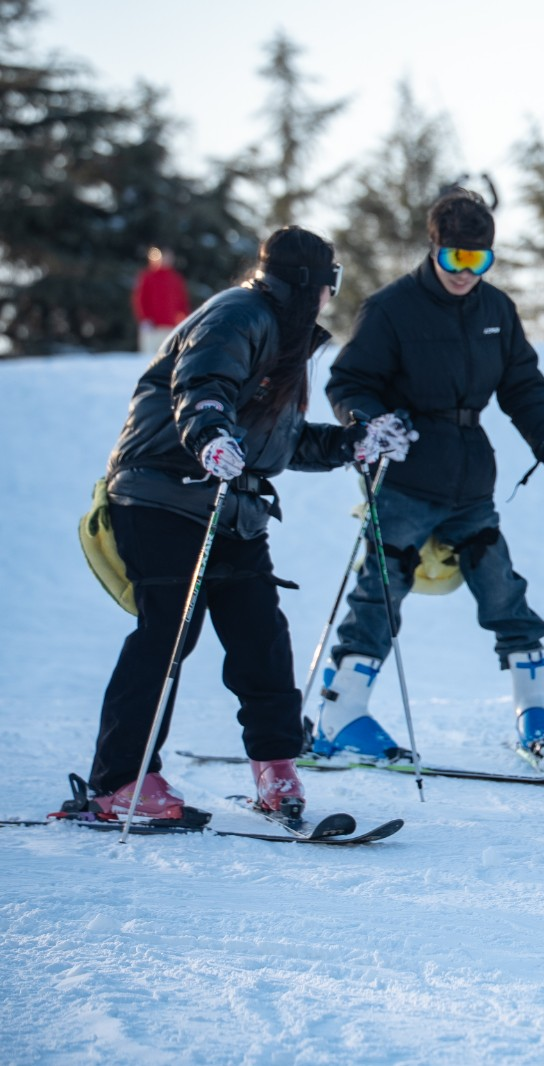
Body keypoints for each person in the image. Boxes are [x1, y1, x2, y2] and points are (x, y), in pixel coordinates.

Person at [79, 227, 413, 822]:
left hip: (231, 506)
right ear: (310, 285)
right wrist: (210, 434)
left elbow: (280, 442)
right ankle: (119, 781)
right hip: (163, 494)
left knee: (261, 637)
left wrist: (354, 443)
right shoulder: (239, 315)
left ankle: (276, 767)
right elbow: (201, 385)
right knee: (169, 632)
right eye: (331, 284)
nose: (330, 297)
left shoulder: (282, 335)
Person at [317, 188, 544, 766]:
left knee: (501, 587)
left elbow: (523, 389)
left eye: (478, 260)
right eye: (454, 257)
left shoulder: (496, 312)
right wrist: (372, 422)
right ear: (433, 248)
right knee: (381, 591)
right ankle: (341, 713)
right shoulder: (392, 308)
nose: (465, 272)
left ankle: (535, 707)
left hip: (470, 479)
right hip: (405, 474)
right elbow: (349, 382)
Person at [131, 246, 191, 354]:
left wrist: (183, 319)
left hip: (171, 326)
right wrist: (144, 319)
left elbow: (182, 302)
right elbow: (140, 299)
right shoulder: (147, 276)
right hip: (152, 327)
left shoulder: (175, 278)